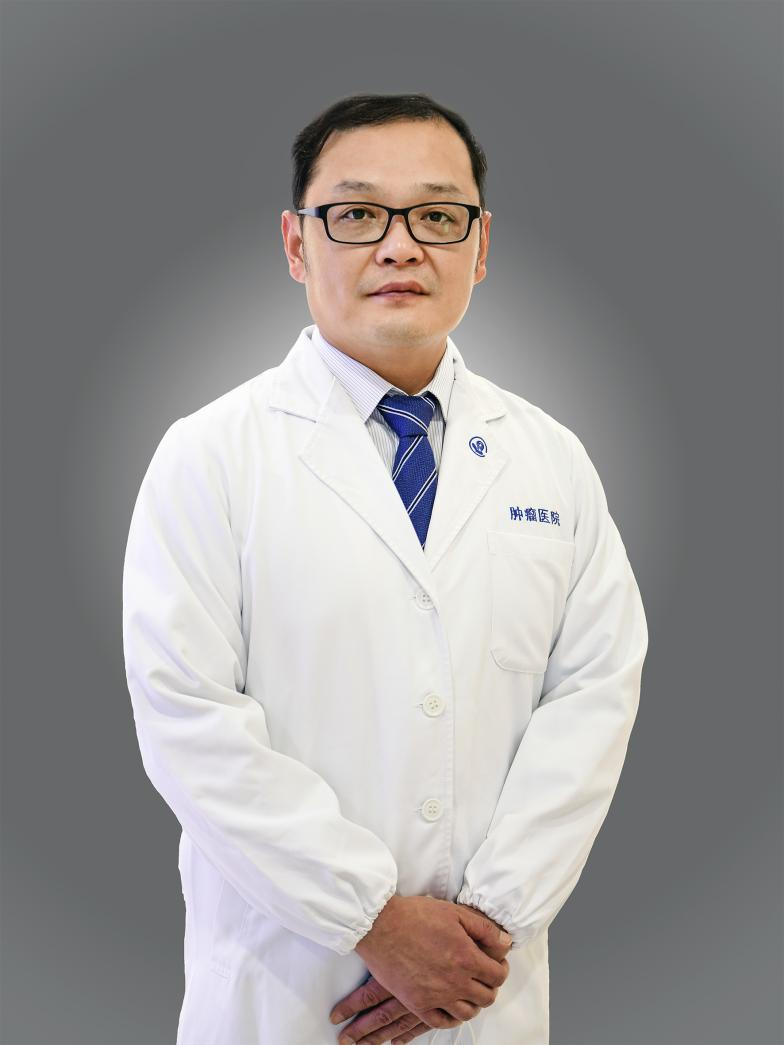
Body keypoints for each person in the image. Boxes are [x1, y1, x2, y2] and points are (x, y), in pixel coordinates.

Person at [122, 92, 649, 1045]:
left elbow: (594, 698)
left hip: (485, 990)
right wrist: (371, 919)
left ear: (480, 247)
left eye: (438, 216)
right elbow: (188, 719)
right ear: (296, 244)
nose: (400, 247)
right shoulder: (209, 456)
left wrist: (486, 921)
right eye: (358, 214)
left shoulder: (552, 459)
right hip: (286, 992)